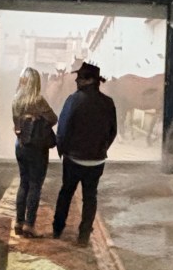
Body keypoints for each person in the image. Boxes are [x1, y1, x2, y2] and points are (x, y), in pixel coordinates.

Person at [51, 62, 118, 245]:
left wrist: (62, 150)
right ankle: (83, 236)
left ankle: (57, 229)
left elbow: (63, 129)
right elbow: (113, 131)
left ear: (90, 80)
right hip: (97, 161)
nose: (76, 80)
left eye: (80, 78)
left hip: (73, 159)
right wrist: (102, 149)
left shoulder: (73, 100)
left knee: (66, 193)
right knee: (90, 197)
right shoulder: (108, 103)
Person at [12, 67, 58, 238]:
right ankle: (29, 225)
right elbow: (53, 118)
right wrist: (38, 122)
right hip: (36, 148)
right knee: (35, 185)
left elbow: (16, 124)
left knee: (23, 183)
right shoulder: (38, 100)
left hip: (20, 145)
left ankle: (18, 222)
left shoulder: (16, 99)